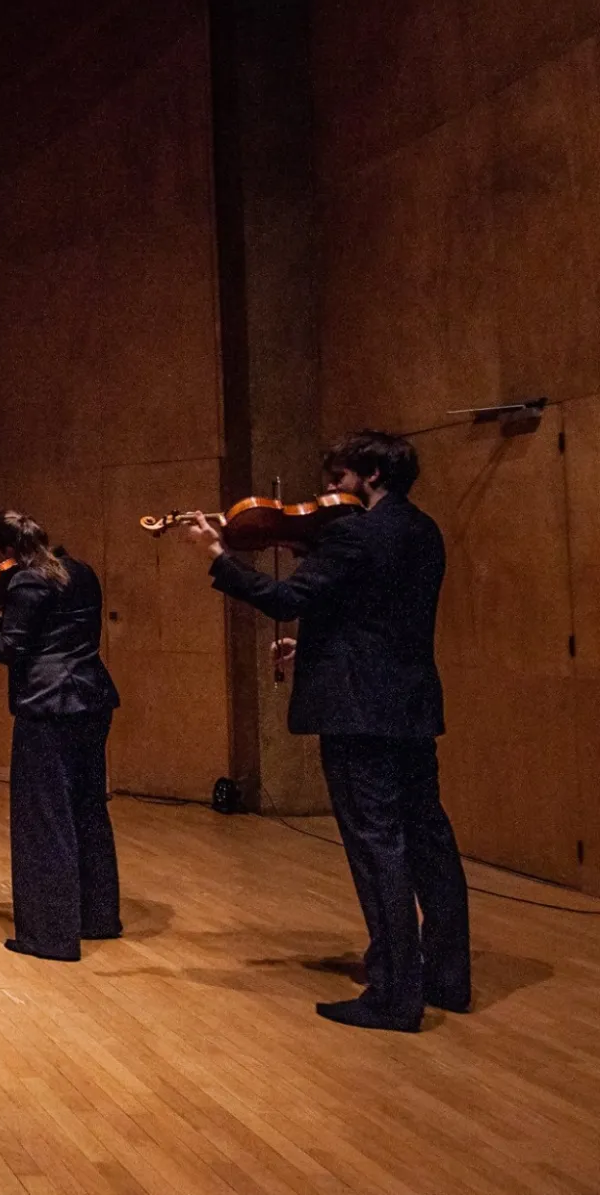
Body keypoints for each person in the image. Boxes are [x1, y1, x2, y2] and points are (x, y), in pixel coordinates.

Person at [184, 430, 468, 1032]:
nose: (329, 493)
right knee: (428, 840)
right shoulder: (425, 531)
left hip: (358, 711)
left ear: (371, 475)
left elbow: (284, 597)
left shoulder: (353, 533)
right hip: (411, 704)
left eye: (338, 480)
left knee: (376, 845)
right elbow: (376, 613)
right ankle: (447, 976)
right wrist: (315, 647)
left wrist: (216, 556)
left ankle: (394, 994)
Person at [0, 511, 122, 962]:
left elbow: (12, 651)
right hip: (92, 701)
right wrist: (4, 610)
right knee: (88, 810)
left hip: (49, 708)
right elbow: (54, 628)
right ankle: (98, 918)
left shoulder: (27, 581)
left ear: (5, 551)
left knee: (44, 820)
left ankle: (50, 936)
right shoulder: (81, 570)